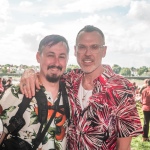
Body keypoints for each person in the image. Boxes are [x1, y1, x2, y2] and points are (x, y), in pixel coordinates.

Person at [19, 25, 142, 150]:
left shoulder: (121, 88)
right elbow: (48, 74)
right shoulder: (70, 79)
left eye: (94, 47)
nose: (87, 54)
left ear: (104, 51)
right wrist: (29, 72)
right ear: (75, 50)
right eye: (82, 47)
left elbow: (124, 145)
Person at [0, 34, 70, 150]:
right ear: (38, 57)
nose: (56, 62)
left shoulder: (71, 93)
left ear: (67, 59)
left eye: (62, 56)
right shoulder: (17, 92)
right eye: (50, 55)